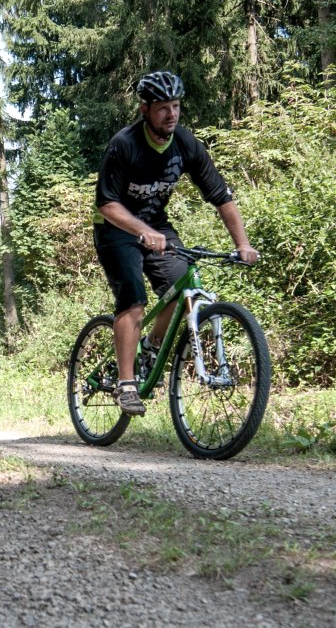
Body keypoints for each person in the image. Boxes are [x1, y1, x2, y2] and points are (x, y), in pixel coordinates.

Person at [94, 71, 260, 416]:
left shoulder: (185, 144)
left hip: (157, 227)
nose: (171, 114)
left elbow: (221, 196)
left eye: (176, 106)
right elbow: (107, 203)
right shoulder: (124, 144)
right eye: (162, 108)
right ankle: (126, 385)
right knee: (134, 300)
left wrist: (243, 243)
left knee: (181, 285)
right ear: (144, 109)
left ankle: (152, 346)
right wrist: (141, 230)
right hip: (116, 227)